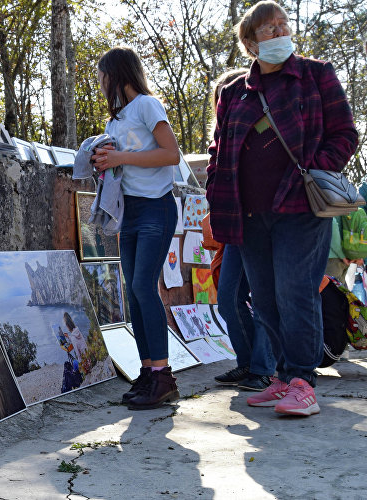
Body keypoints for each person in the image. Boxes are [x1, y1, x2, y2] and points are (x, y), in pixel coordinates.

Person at [206, 1, 358, 416]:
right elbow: (219, 150)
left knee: (295, 292)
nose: (279, 33)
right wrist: (215, 190)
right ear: (251, 45)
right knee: (265, 298)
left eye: (282, 25)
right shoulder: (235, 93)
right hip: (248, 214)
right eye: (268, 30)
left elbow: (345, 134)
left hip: (300, 207)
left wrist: (313, 171)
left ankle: (303, 383)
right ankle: (280, 377)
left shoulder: (316, 75)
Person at [91, 46, 181, 410]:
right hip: (129, 213)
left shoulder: (147, 105)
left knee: (145, 285)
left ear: (117, 74)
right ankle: (148, 372)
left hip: (157, 209)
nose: (100, 84)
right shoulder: (116, 121)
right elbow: (122, 164)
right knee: (133, 293)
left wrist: (121, 157)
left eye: (102, 77)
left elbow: (171, 153)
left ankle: (163, 375)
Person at [204, 69, 277, 392]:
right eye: (222, 96)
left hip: (268, 221)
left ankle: (264, 368)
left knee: (264, 299)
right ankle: (246, 362)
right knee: (228, 297)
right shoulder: (221, 136)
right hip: (236, 225)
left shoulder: (266, 121)